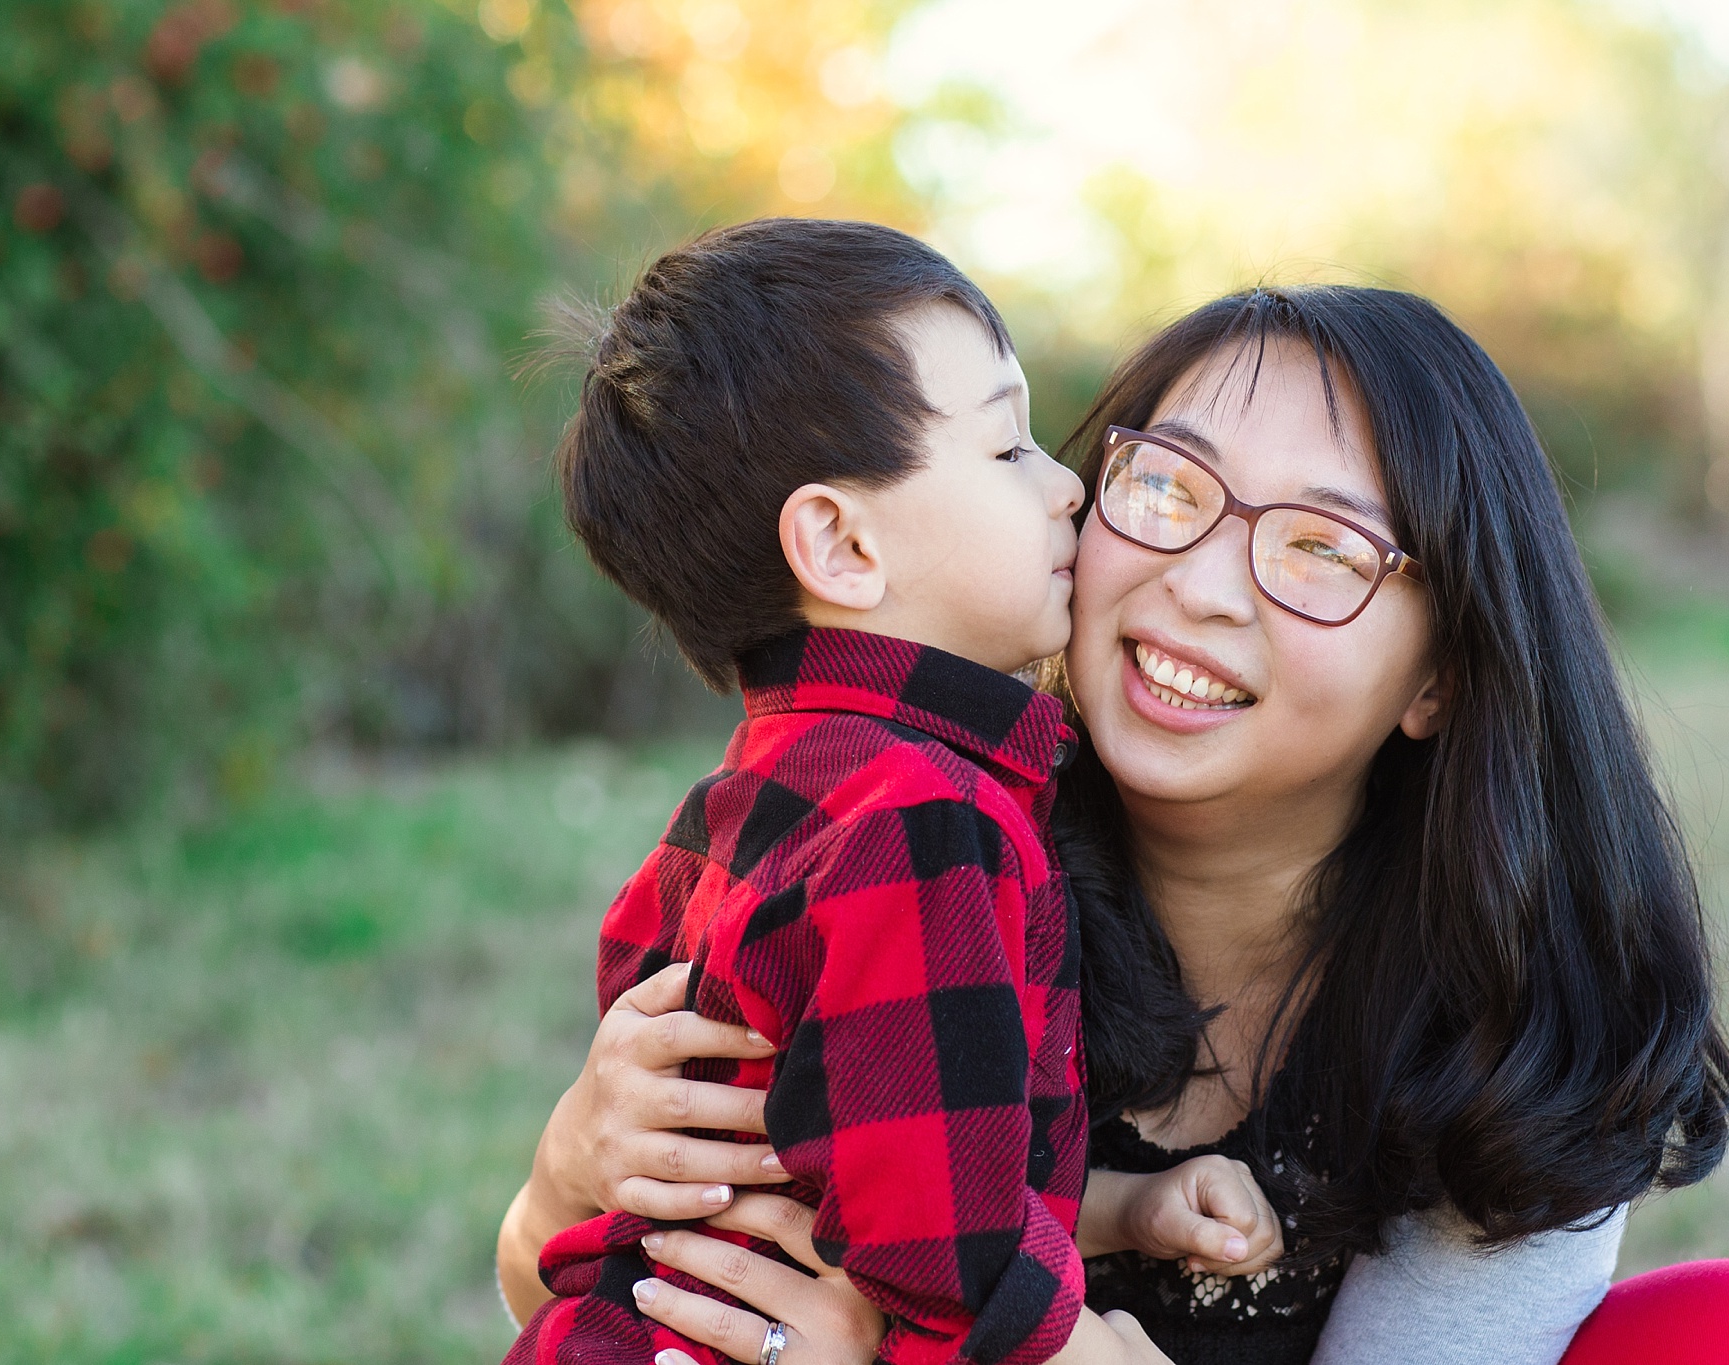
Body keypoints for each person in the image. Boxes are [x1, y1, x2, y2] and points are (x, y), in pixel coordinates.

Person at [500, 284, 1729, 1365]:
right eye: (1168, 486)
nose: (1206, 585)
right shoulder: (909, 852)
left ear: (1444, 672)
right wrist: (572, 1167)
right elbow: (588, 1286)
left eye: (1323, 548)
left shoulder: (1508, 1011)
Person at [507, 220, 1286, 1365]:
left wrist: (1123, 1210)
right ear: (839, 544)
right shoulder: (925, 818)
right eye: (1007, 449)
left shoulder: (744, 796)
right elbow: (935, 1250)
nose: (1066, 487)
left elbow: (866, 1147)